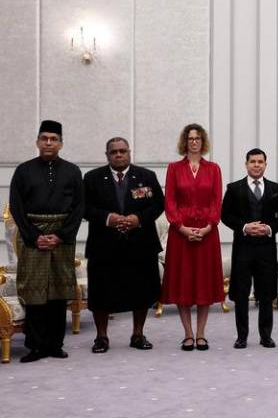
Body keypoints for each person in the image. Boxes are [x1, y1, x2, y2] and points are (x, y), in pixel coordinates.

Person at [9, 120, 84, 363]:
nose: (49, 143)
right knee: (34, 293)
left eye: (54, 139)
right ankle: (35, 346)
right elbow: (17, 208)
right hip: (33, 238)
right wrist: (34, 236)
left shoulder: (73, 171)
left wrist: (60, 236)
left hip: (61, 237)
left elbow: (78, 207)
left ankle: (55, 344)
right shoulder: (23, 170)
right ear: (37, 142)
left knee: (58, 292)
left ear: (61, 143)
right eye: (44, 138)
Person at [83, 137, 164, 353]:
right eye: (114, 152)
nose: (119, 155)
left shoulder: (147, 176)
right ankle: (101, 337)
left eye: (122, 151)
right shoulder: (92, 178)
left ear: (129, 152)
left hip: (141, 244)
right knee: (101, 293)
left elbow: (158, 204)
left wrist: (138, 219)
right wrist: (109, 218)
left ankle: (138, 334)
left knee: (142, 291)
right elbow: (84, 207)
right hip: (104, 244)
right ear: (107, 155)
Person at [161, 123, 224, 351]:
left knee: (204, 283)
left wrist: (208, 226)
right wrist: (181, 227)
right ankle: (188, 333)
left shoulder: (214, 168)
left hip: (207, 233)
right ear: (185, 142)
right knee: (183, 282)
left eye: (198, 138)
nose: (194, 142)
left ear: (203, 141)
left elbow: (217, 201)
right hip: (181, 234)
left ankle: (201, 333)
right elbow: (170, 202)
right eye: (190, 138)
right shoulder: (174, 168)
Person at [222, 148, 278, 349]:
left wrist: (269, 228)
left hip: (266, 249)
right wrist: (244, 227)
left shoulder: (276, 188)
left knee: (266, 294)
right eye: (253, 161)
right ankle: (241, 336)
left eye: (260, 162)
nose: (257, 165)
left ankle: (266, 336)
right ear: (246, 164)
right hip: (243, 248)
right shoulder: (234, 188)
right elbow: (225, 215)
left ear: (265, 165)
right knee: (241, 294)